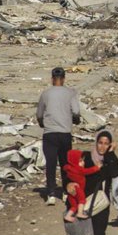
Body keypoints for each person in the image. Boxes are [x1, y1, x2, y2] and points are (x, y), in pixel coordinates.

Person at [36, 67, 80, 205]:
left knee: (51, 163)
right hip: (65, 133)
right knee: (65, 164)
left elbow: (39, 114)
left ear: (52, 79)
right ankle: (66, 193)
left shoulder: (45, 94)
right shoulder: (70, 93)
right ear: (64, 78)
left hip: (50, 133)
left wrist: (42, 123)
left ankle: (51, 194)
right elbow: (77, 112)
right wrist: (74, 119)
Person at [76, 131, 118, 235]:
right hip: (84, 201)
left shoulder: (110, 159)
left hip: (101, 202)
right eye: (100, 143)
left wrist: (111, 153)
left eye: (106, 143)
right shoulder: (85, 157)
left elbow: (115, 173)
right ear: (96, 143)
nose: (102, 146)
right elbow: (72, 175)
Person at [63, 149, 100, 222]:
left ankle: (68, 215)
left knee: (74, 206)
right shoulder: (78, 169)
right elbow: (88, 171)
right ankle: (80, 213)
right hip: (78, 189)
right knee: (82, 200)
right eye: (80, 161)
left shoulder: (69, 168)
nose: (83, 163)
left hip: (72, 192)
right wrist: (97, 167)